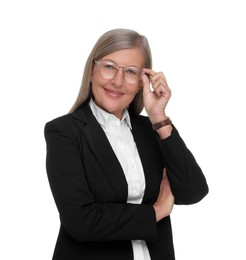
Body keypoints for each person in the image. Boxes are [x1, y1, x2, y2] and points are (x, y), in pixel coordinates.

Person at [44, 28, 209, 260]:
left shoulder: (151, 131)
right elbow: (80, 221)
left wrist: (160, 119)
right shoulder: (65, 131)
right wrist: (155, 212)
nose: (118, 81)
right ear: (92, 71)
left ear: (142, 83)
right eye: (109, 67)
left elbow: (193, 191)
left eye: (131, 72)